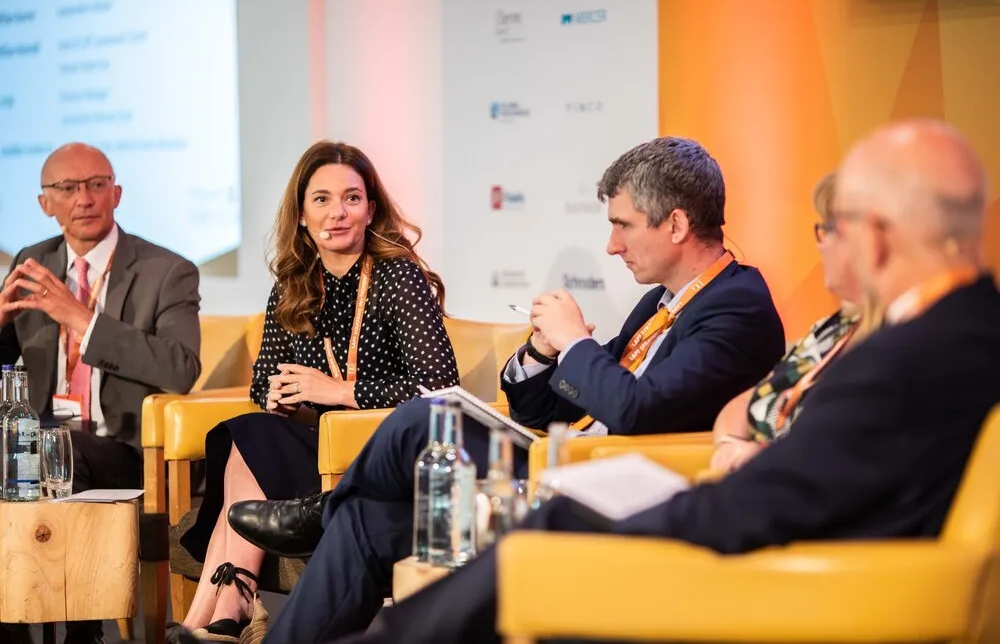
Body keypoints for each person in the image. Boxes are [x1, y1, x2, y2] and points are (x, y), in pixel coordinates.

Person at [326, 118, 1000, 644]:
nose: (833, 244)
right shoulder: (967, 332)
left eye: (837, 227)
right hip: (802, 548)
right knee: (376, 519)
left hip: (806, 583)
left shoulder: (894, 360)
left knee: (552, 525)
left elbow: (761, 495)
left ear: (875, 238)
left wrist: (642, 510)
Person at [218, 136, 787, 644]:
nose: (613, 245)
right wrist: (542, 353)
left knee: (428, 414)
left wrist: (577, 346)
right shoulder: (658, 302)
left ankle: (320, 511)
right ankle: (325, 526)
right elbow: (538, 404)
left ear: (678, 226)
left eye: (623, 225)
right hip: (557, 461)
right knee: (364, 521)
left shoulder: (736, 306)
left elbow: (637, 410)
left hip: (606, 487)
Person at [175, 141, 460, 642]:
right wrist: (280, 396)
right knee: (254, 428)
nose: (337, 213)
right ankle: (222, 614)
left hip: (379, 460)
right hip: (312, 450)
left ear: (371, 209)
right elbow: (263, 377)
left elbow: (439, 389)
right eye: (322, 199)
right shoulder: (293, 284)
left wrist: (340, 391)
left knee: (250, 440)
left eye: (352, 198)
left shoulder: (398, 278)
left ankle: (215, 616)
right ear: (302, 215)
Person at [0, 143, 201, 644]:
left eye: (95, 185)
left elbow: (182, 368)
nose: (83, 198)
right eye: (67, 188)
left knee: (53, 447)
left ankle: (81, 629)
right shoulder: (33, 261)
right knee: (30, 445)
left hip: (125, 449)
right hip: (40, 438)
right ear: (46, 202)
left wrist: (82, 320)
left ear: (117, 193)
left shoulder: (166, 271)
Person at [709, 172, 880, 474]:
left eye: (828, 229)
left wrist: (764, 461)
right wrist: (730, 445)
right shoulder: (832, 328)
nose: (821, 244)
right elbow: (741, 406)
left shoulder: (896, 343)